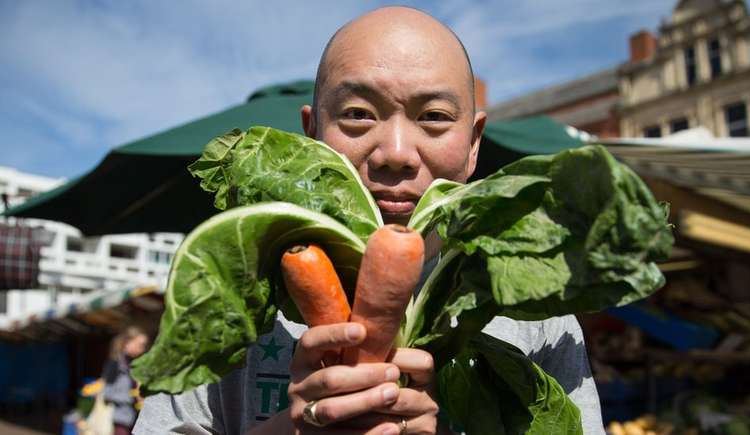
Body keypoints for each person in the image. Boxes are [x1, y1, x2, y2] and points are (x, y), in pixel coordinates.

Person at [134, 6, 604, 434]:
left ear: (473, 143)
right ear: (312, 134)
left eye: (434, 117)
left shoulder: (537, 315)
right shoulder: (228, 295)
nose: (396, 153)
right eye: (358, 114)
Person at [103, 326, 149, 435]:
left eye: (144, 345)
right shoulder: (115, 364)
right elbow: (107, 393)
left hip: (138, 418)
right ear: (127, 342)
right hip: (121, 419)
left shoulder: (138, 365)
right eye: (140, 345)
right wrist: (131, 397)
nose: (142, 349)